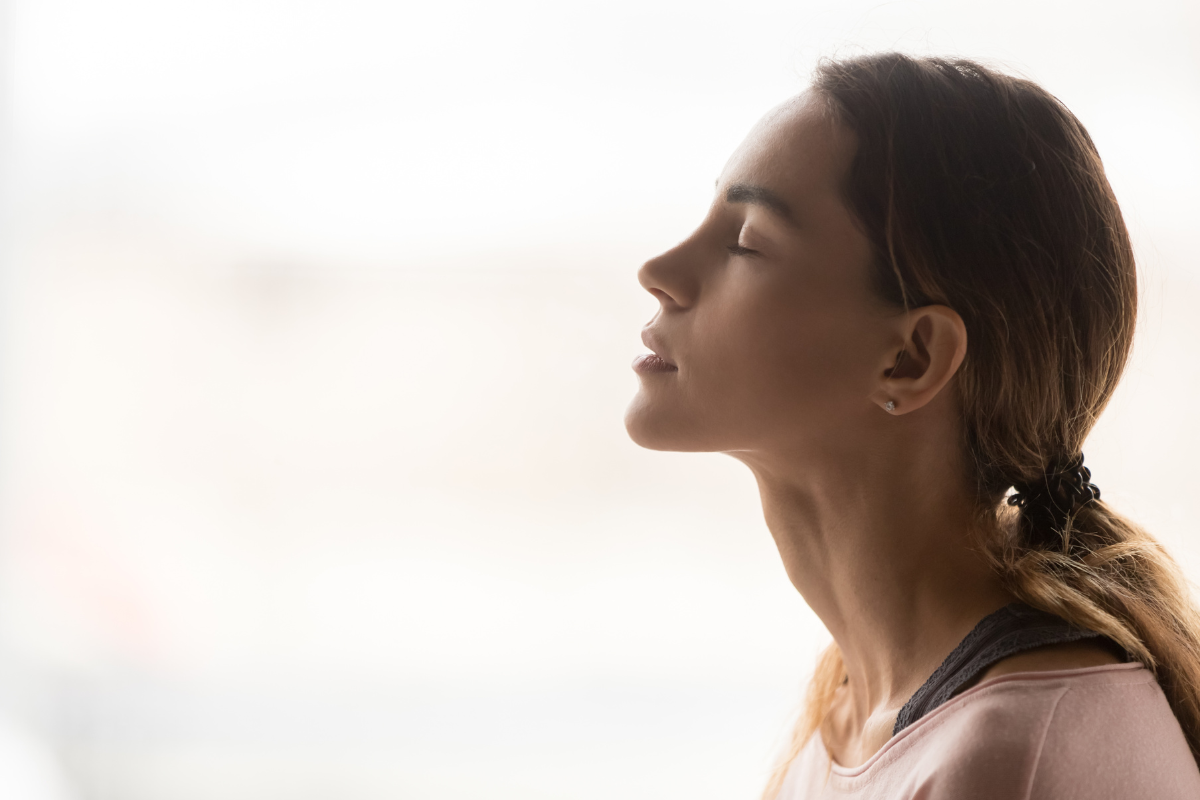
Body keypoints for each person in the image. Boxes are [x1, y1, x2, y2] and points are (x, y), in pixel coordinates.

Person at [625, 52, 1200, 799]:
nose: (659, 269)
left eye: (748, 242)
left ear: (912, 357)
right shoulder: (847, 714)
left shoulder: (1016, 750)